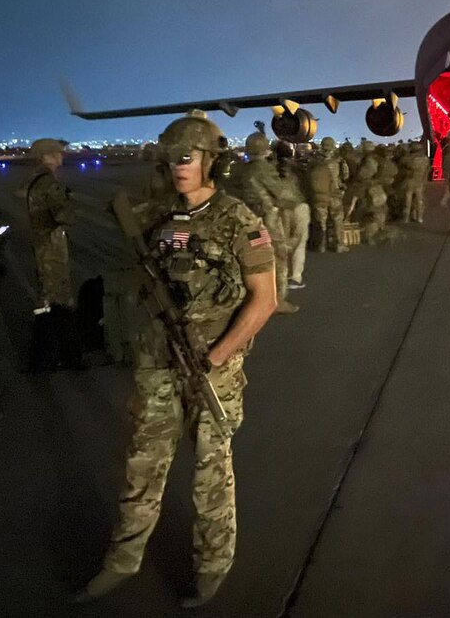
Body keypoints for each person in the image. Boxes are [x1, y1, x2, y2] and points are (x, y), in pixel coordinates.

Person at [75, 110, 277, 608]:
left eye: (186, 157)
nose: (177, 167)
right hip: (157, 364)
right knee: (143, 465)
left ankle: (212, 566)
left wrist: (218, 355)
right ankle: (122, 560)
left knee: (211, 472)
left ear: (211, 161)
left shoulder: (237, 220)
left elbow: (265, 298)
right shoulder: (159, 217)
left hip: (212, 367)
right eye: (170, 159)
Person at [237, 132, 298, 313]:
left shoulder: (240, 169)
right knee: (277, 257)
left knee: (249, 258)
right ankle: (276, 300)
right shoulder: (264, 169)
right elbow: (283, 195)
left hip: (245, 220)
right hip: (267, 221)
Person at [25, 138, 75, 309]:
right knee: (58, 295)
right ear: (49, 156)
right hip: (51, 246)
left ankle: (46, 324)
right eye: (59, 152)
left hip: (40, 243)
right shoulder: (49, 182)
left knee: (45, 290)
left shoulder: (35, 178)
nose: (62, 156)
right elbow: (65, 216)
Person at [275, 140, 310, 289]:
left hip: (281, 207)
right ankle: (295, 277)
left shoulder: (271, 169)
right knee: (299, 242)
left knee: (282, 242)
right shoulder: (299, 168)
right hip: (299, 205)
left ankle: (281, 277)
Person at [307, 137, 349, 252]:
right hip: (335, 194)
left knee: (320, 220)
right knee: (337, 219)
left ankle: (321, 245)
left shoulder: (313, 161)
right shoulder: (338, 160)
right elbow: (345, 175)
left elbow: (308, 177)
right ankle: (339, 244)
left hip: (319, 195)